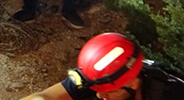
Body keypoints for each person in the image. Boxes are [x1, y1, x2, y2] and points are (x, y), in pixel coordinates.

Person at [19, 33, 184, 100]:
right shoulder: (97, 78)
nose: (99, 95)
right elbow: (46, 97)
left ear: (133, 83)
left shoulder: (171, 93)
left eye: (110, 91)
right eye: (97, 87)